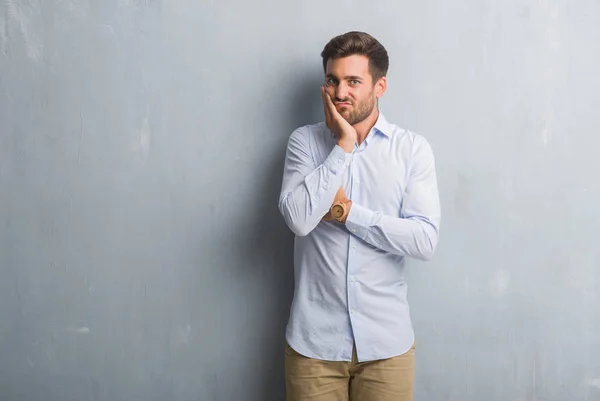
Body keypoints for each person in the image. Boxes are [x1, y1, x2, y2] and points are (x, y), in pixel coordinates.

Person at [278, 31, 441, 401]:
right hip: (314, 348)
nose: (340, 93)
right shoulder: (304, 143)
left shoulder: (412, 150)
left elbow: (424, 239)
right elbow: (300, 219)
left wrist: (346, 212)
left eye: (353, 81)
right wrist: (343, 145)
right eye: (333, 80)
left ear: (379, 86)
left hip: (387, 348)